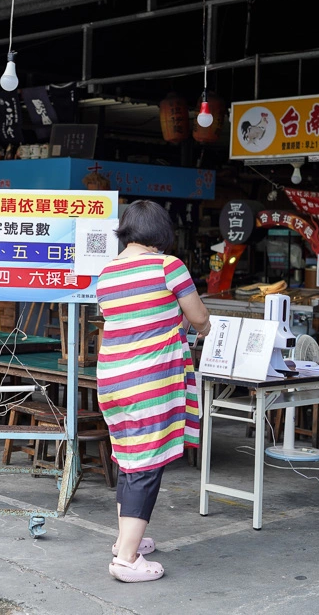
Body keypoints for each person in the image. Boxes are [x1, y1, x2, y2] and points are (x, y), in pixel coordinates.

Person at [96, 200, 211, 582]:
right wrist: (204, 328)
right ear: (161, 233)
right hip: (150, 380)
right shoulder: (168, 266)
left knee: (128, 457)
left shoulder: (107, 273)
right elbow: (198, 317)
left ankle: (125, 540)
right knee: (147, 462)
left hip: (112, 377)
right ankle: (127, 559)